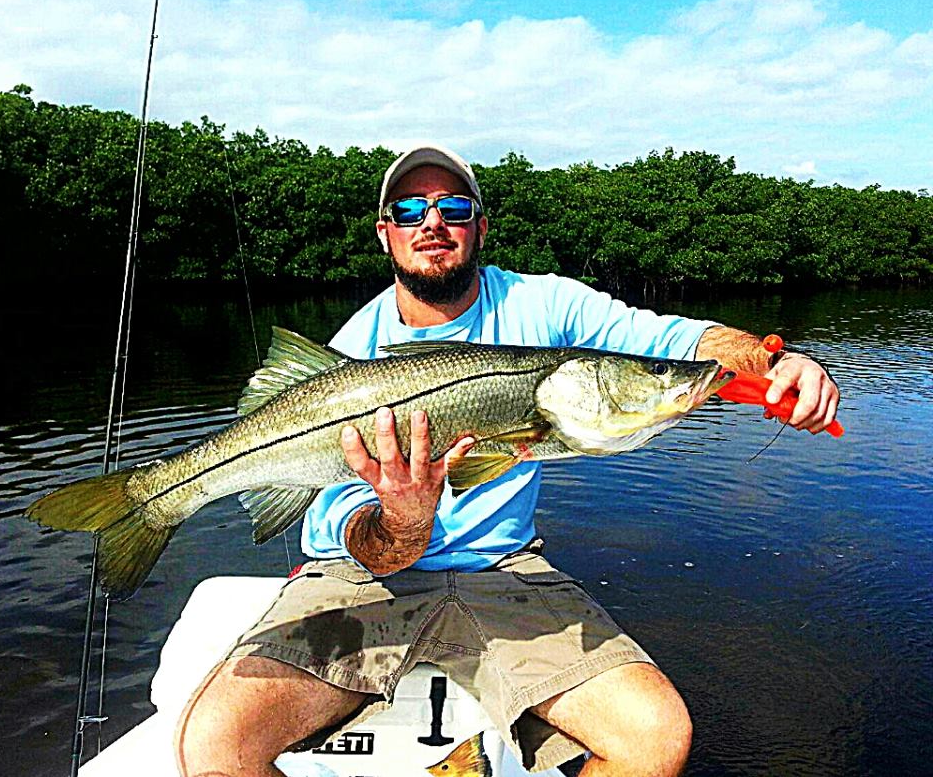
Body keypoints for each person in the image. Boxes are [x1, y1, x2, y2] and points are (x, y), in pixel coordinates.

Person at [174, 144, 840, 776]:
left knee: (656, 734)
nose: (432, 222)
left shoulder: (542, 304)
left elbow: (672, 340)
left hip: (503, 570)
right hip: (362, 577)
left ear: (480, 226)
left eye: (454, 208)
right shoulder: (354, 351)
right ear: (385, 233)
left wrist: (775, 361)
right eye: (410, 210)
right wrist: (403, 520)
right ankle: (159, 498)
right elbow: (347, 532)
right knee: (216, 740)